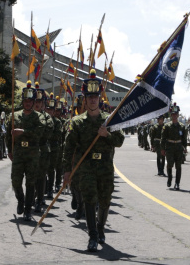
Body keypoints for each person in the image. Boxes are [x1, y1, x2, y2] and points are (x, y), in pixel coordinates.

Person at [63, 69, 125, 252]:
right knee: (89, 198)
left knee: (105, 200)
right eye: (89, 96)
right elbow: (69, 148)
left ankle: (100, 228)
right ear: (84, 98)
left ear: (100, 98)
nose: (92, 100)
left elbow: (119, 140)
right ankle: (92, 235)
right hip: (87, 166)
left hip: (105, 166)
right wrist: (67, 171)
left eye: (95, 96)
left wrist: (106, 135)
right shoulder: (77, 122)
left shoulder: (109, 121)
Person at [7, 81, 44, 221]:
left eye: (30, 101)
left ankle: (28, 209)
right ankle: (20, 200)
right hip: (18, 153)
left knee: (30, 182)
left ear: (34, 102)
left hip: (32, 154)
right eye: (26, 101)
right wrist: (9, 150)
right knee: (16, 181)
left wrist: (23, 132)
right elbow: (8, 135)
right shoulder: (14, 116)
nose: (28, 103)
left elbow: (39, 133)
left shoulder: (38, 117)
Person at [33, 84, 54, 212]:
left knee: (40, 176)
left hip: (43, 151)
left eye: (39, 101)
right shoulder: (27, 115)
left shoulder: (47, 118)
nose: (37, 104)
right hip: (30, 151)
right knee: (31, 177)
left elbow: (48, 132)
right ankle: (31, 198)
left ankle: (39, 199)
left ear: (43, 104)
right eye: (35, 101)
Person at [160, 103, 187, 190]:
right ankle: (170, 177)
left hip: (179, 148)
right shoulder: (167, 126)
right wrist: (162, 148)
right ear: (171, 115)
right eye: (173, 114)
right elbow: (163, 138)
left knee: (178, 166)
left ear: (178, 115)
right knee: (169, 165)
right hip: (170, 148)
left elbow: (184, 139)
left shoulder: (182, 127)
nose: (174, 116)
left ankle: (177, 183)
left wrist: (185, 147)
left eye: (176, 114)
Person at [46, 96, 63, 199]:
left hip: (54, 148)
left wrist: (47, 134)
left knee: (52, 169)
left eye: (52, 110)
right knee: (42, 170)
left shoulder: (57, 122)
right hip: (43, 148)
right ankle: (43, 187)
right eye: (48, 109)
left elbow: (57, 135)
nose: (50, 112)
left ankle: (50, 188)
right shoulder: (42, 120)